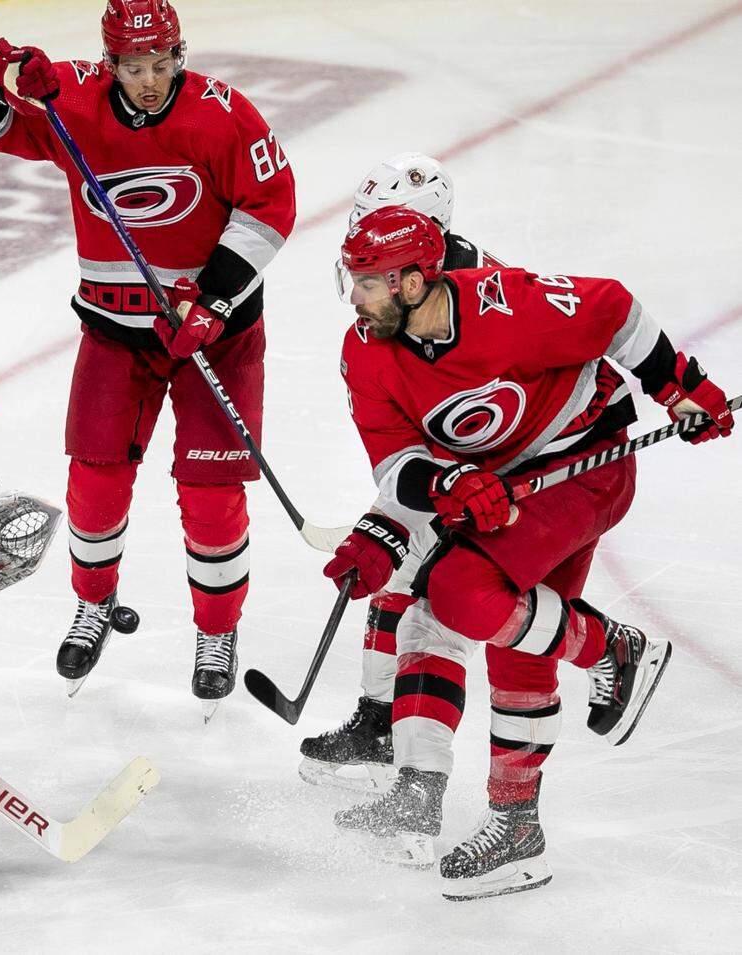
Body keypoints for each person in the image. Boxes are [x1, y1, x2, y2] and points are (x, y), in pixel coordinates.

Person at [323, 206, 732, 898]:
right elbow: (397, 465)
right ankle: (518, 829)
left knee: (455, 591)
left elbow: (613, 309)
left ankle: (610, 647)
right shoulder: (364, 352)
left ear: (416, 283)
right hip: (511, 481)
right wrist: (443, 486)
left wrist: (681, 385)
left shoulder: (504, 302)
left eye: (367, 282)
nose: (353, 298)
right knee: (515, 639)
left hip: (587, 464)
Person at [0, 0, 296, 712]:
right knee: (95, 485)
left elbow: (271, 205)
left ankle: (217, 632)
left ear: (180, 54)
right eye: (133, 67)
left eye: (161, 64)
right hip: (116, 329)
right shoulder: (69, 100)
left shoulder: (224, 115)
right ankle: (94, 605)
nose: (148, 80)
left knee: (211, 497)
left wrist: (215, 300)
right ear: (110, 64)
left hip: (216, 335)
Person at [299, 153, 504, 791]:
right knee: (395, 583)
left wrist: (411, 504)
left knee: (426, 610)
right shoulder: (407, 290)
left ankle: (402, 754)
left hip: (484, 483)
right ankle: (378, 723)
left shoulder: (481, 301)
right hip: (436, 473)